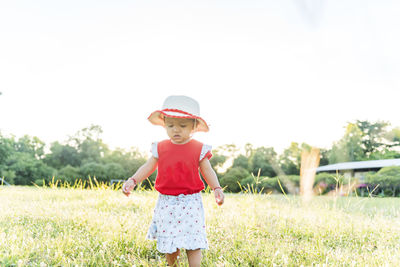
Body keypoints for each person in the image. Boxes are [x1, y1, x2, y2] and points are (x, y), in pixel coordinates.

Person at [122, 95, 224, 267]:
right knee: (170, 239)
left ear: (193, 126)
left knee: (193, 238)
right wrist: (133, 180)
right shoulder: (160, 147)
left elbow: (208, 170)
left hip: (190, 200)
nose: (176, 130)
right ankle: (173, 265)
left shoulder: (198, 148)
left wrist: (216, 188)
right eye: (170, 126)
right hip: (166, 201)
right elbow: (148, 167)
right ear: (164, 125)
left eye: (182, 126)